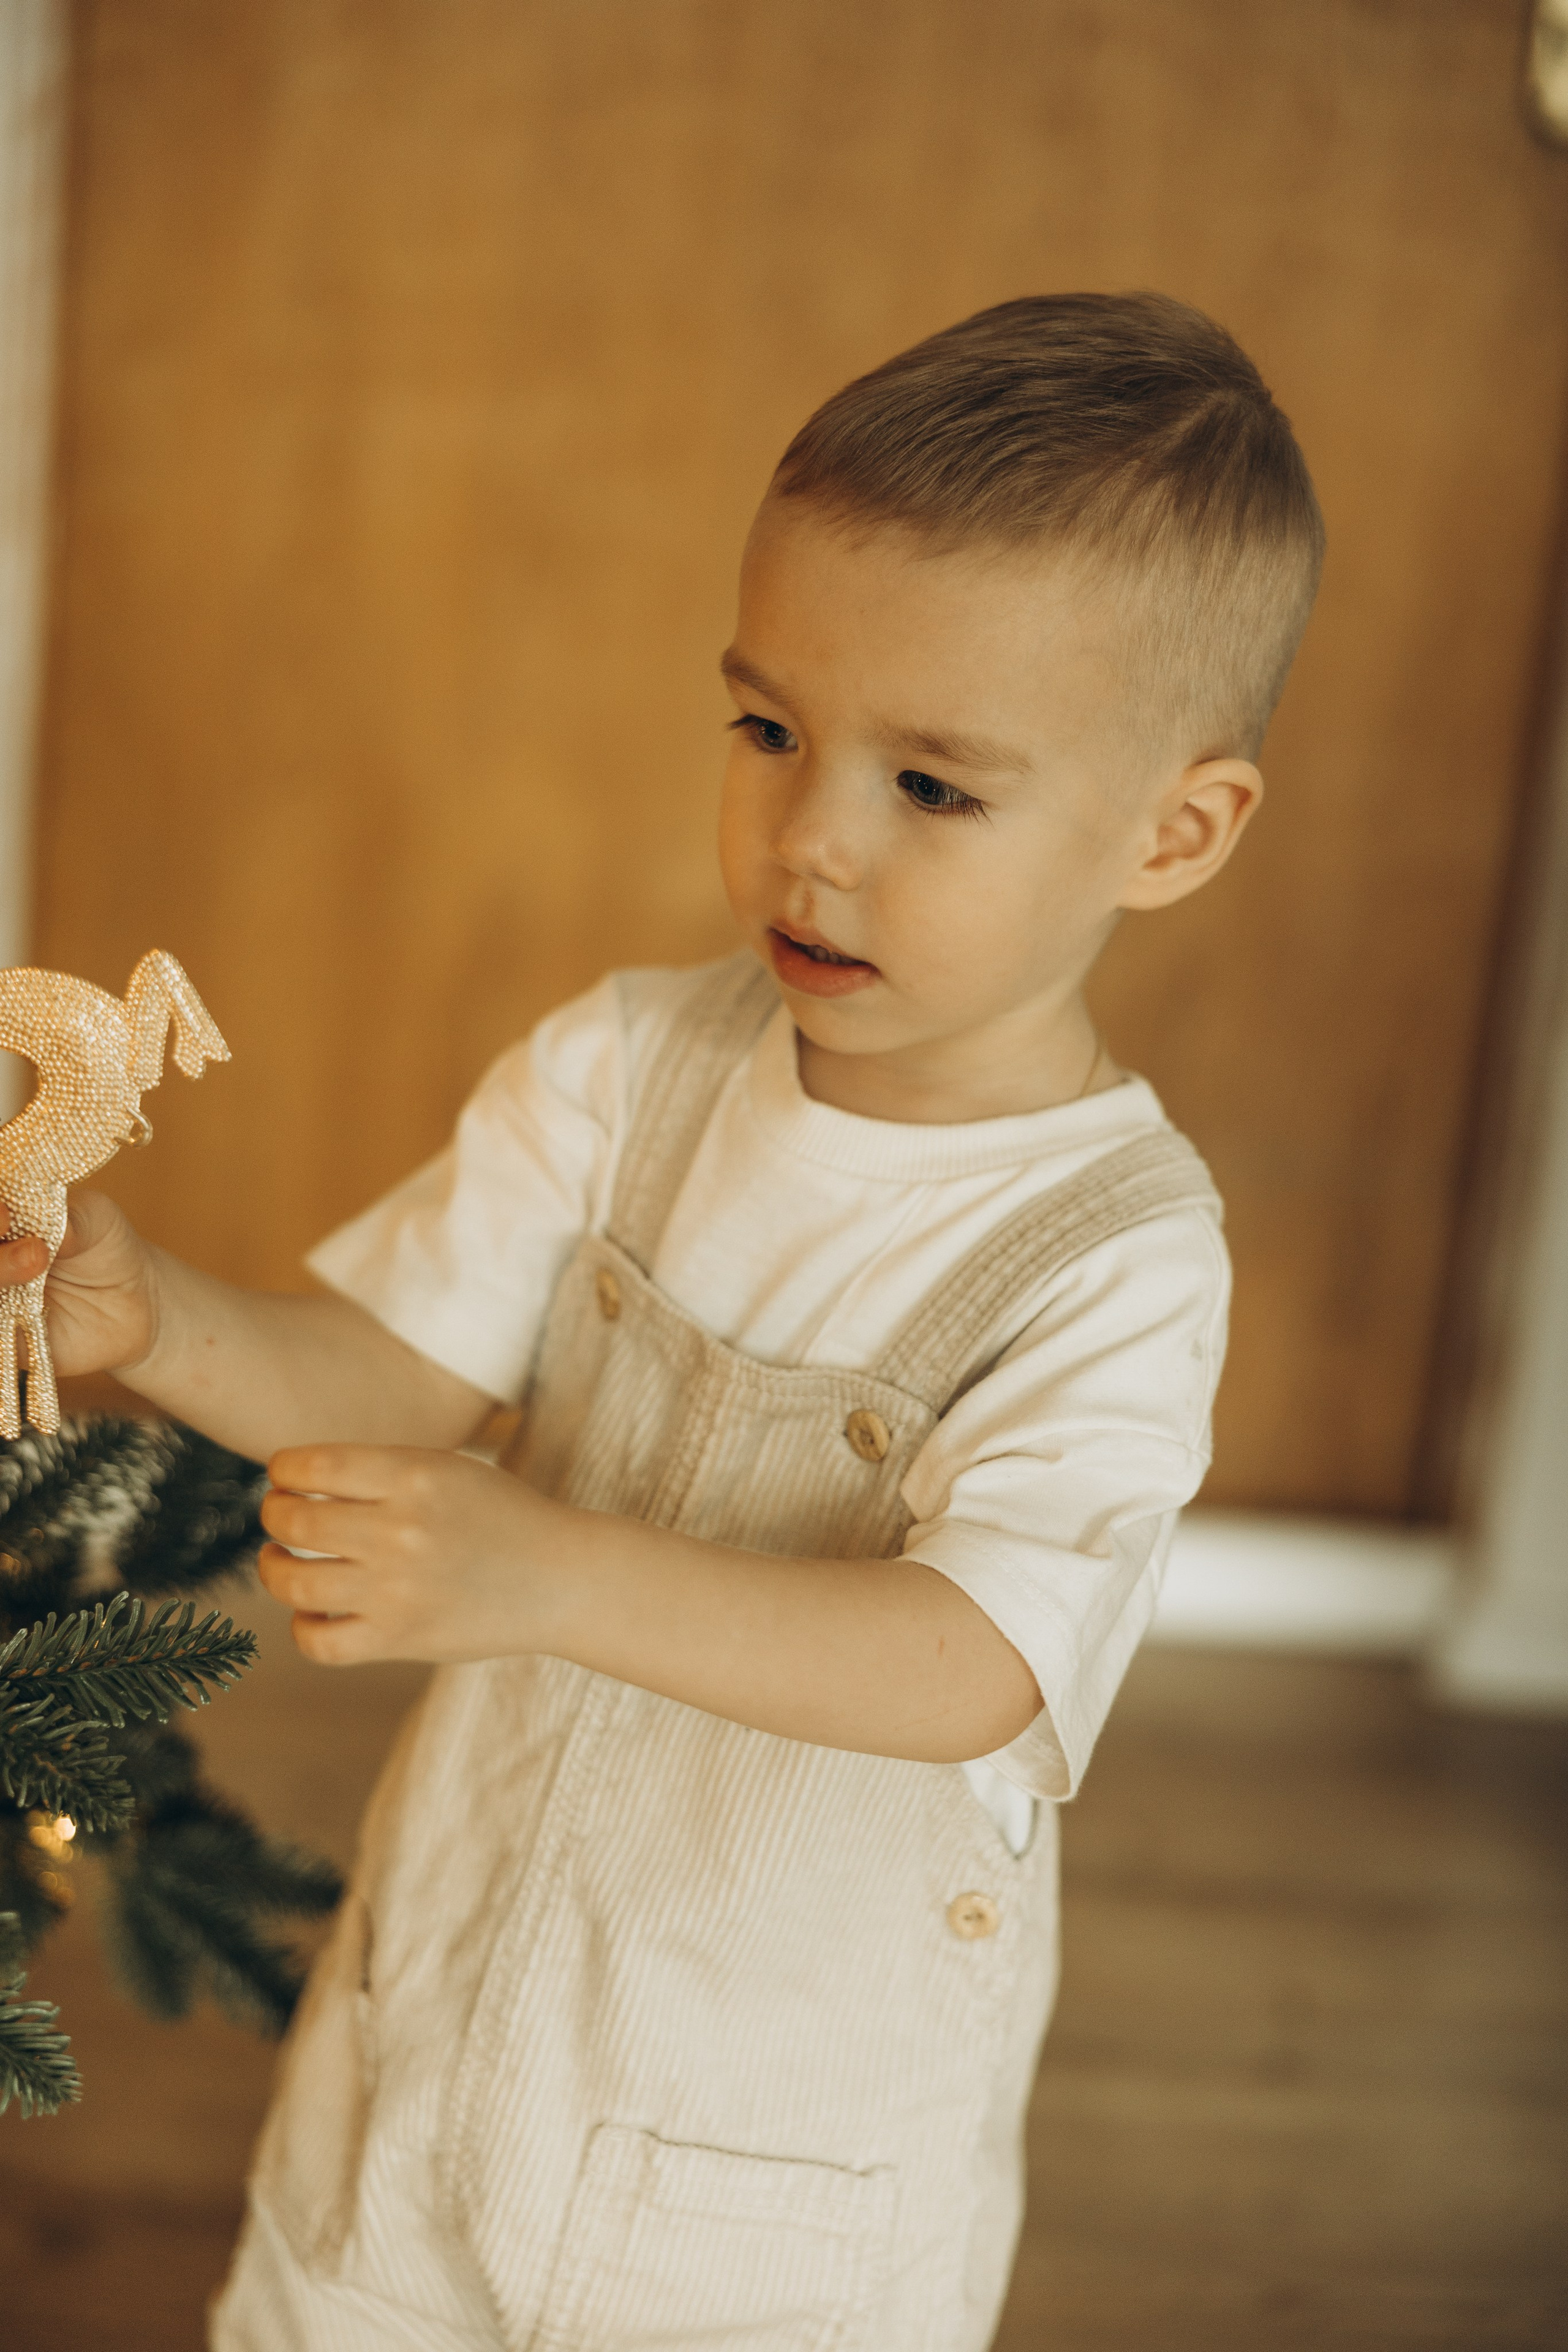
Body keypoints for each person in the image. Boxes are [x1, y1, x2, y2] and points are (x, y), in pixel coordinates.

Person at [6, 292, 1322, 2350]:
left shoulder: (1113, 1256)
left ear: (1175, 831)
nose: (814, 837)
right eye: (772, 729)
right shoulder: (625, 1071)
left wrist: (550, 1570)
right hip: (436, 2050)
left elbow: (979, 1659)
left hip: (771, 2165)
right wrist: (148, 1313)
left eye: (936, 789)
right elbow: (398, 1371)